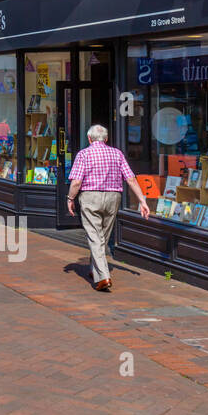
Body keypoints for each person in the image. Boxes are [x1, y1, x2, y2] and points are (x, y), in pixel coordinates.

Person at [66, 124, 152, 292]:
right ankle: (94, 269)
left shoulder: (84, 154)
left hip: (90, 197)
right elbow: (131, 178)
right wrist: (142, 200)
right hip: (113, 197)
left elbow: (76, 182)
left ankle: (103, 276)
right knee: (102, 236)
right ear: (106, 139)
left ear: (89, 139)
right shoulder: (117, 153)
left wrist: (70, 198)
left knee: (95, 237)